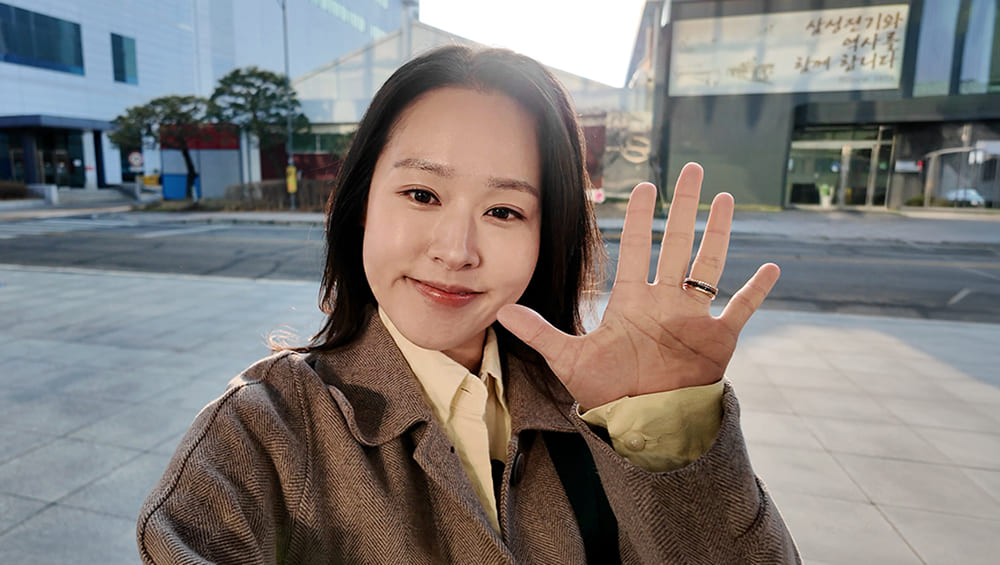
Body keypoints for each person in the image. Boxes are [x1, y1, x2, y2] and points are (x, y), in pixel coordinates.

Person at [137, 45, 799, 564]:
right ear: (360, 203)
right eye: (421, 195)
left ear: (547, 236)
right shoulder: (264, 431)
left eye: (504, 210)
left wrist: (668, 429)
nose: (456, 251)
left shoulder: (601, 410)